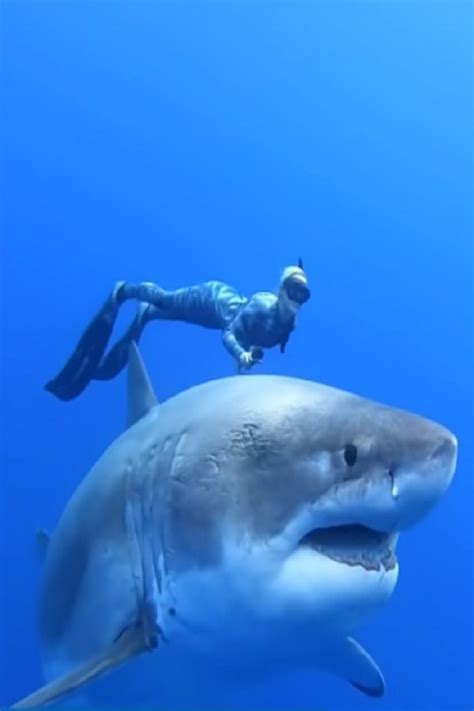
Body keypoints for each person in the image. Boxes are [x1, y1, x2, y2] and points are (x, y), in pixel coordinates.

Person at [44, 260, 311, 401]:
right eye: (292, 290)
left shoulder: (289, 324)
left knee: (164, 313)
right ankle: (125, 290)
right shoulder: (261, 306)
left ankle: (146, 313)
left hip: (216, 318)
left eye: (303, 295)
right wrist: (241, 356)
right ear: (280, 289)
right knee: (167, 300)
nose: (296, 299)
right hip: (211, 299)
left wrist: (247, 360)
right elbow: (229, 333)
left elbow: (251, 340)